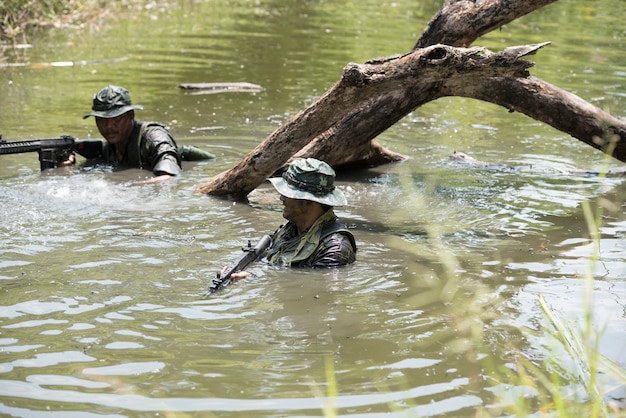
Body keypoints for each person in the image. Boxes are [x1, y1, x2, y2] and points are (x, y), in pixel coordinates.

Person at [226, 158, 356, 280]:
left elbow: (314, 287)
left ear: (309, 201)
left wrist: (254, 279)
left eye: (288, 194)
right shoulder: (289, 230)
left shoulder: (335, 249)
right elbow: (267, 260)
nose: (281, 198)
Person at [70, 85, 183, 183]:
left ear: (131, 115)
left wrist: (126, 188)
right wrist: (68, 167)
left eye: (117, 119)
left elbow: (169, 178)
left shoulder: (154, 137)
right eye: (102, 120)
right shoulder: (109, 149)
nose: (109, 126)